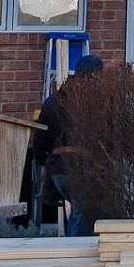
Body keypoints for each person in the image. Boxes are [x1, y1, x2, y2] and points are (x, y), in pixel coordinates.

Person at [31, 53, 102, 238]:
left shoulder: (53, 101)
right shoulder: (98, 102)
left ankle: (73, 249)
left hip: (58, 167)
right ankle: (75, 253)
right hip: (83, 167)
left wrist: (42, 161)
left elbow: (40, 138)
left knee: (82, 211)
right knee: (83, 213)